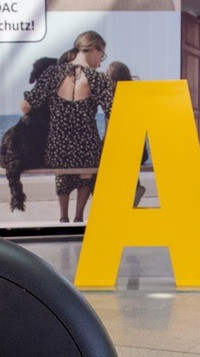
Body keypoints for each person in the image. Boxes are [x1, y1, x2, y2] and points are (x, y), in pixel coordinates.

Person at [21, 31, 113, 223]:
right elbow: (112, 112)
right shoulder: (97, 78)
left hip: (57, 149)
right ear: (93, 49)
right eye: (101, 54)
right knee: (88, 169)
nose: (100, 61)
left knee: (62, 170)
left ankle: (63, 217)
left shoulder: (52, 73)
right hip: (87, 149)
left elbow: (26, 107)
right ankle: (79, 217)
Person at [0, 57, 57, 211]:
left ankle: (17, 200)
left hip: (8, 158)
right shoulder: (53, 96)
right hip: (27, 157)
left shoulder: (34, 96)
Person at [105, 61, 146, 207]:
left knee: (117, 158)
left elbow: (110, 128)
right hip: (140, 150)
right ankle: (135, 189)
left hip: (123, 149)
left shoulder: (112, 97)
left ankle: (130, 193)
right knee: (127, 156)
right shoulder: (136, 94)